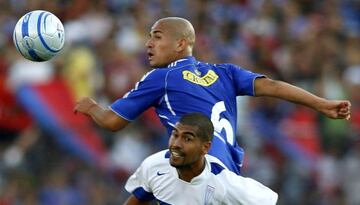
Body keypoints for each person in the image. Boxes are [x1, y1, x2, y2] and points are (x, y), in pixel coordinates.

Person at [74, 17, 351, 174]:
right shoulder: (225, 72)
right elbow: (274, 86)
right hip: (230, 176)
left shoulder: (162, 77)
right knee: (146, 182)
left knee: (150, 176)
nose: (148, 43)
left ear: (181, 43)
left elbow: (112, 122)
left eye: (157, 37)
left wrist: (91, 106)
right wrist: (321, 103)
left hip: (197, 174)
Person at [123, 112, 278, 205]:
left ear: (205, 147)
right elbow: (138, 199)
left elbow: (268, 200)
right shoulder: (154, 166)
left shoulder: (224, 184)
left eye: (187, 139)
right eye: (175, 135)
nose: (176, 144)